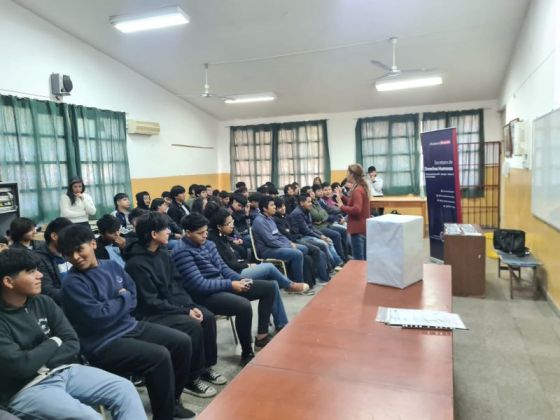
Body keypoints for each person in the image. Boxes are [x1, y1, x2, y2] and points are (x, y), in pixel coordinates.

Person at [58, 224, 196, 420]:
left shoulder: (111, 266)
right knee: (159, 356)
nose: (75, 257)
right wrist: (122, 298)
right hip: (102, 343)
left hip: (129, 326)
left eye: (79, 250)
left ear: (93, 244)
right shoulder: (72, 284)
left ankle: (171, 401)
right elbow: (99, 318)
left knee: (182, 342)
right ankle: (163, 415)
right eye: (68, 254)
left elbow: (134, 295)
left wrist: (116, 303)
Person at [0, 249, 146, 420]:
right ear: (9, 282)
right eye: (31, 272)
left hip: (65, 370)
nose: (40, 275)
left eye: (37, 269)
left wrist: (40, 361)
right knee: (89, 417)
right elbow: (22, 366)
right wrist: (54, 341)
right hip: (26, 388)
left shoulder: (43, 302)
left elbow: (71, 341)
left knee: (124, 388)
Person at [125, 212, 227, 398]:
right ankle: (190, 378)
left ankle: (205, 367)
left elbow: (176, 285)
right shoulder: (135, 264)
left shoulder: (163, 254)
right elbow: (150, 302)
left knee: (208, 316)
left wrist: (189, 306)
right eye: (165, 229)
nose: (170, 232)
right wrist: (184, 311)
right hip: (150, 313)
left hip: (171, 305)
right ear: (153, 234)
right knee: (192, 325)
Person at [172, 213, 276, 367]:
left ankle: (261, 336)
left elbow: (223, 268)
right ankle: (246, 353)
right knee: (243, 306)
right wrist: (230, 284)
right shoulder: (182, 251)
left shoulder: (208, 244)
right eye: (200, 233)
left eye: (206, 231)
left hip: (222, 285)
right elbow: (198, 284)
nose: (205, 235)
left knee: (269, 287)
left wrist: (239, 280)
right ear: (187, 232)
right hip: (204, 295)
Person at [206, 208, 309, 331]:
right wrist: (247, 265)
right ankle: (289, 285)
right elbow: (228, 265)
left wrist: (244, 262)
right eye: (229, 223)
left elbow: (235, 256)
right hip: (234, 274)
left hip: (238, 268)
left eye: (232, 222)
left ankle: (281, 323)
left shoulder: (223, 236)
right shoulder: (214, 240)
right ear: (219, 226)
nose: (232, 226)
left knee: (272, 284)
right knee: (269, 268)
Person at [251, 196, 307, 283]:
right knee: (297, 253)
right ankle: (299, 284)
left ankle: (291, 278)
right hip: (267, 250)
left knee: (304, 248)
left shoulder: (270, 218)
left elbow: (279, 235)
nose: (275, 207)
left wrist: (289, 242)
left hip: (276, 246)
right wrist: (288, 246)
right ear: (264, 208)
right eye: (272, 205)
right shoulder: (259, 221)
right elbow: (270, 241)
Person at [288, 195, 343, 270]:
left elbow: (311, 227)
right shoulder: (298, 213)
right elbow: (306, 230)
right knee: (324, 243)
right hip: (301, 237)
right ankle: (333, 266)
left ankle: (338, 262)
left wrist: (322, 235)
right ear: (301, 203)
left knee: (328, 240)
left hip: (307, 234)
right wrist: (320, 237)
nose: (311, 203)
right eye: (308, 202)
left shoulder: (306, 210)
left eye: (311, 201)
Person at [335, 164, 371, 260]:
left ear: (352, 174)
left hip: (357, 228)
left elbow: (357, 209)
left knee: (359, 261)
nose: (346, 174)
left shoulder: (357, 190)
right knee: (363, 260)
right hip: (362, 227)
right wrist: (343, 197)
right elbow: (354, 204)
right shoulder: (360, 187)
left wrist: (342, 206)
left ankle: (361, 275)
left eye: (348, 172)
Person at [34, 217, 73, 305]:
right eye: (68, 236)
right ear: (54, 236)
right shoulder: (39, 259)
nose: (72, 240)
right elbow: (47, 291)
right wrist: (76, 295)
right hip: (60, 306)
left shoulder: (69, 252)